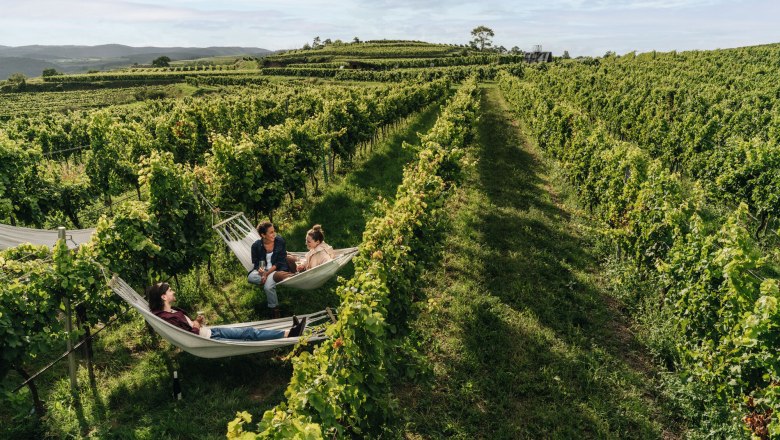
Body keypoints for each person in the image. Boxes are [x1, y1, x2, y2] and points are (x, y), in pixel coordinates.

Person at [147, 282, 306, 340]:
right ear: (163, 297)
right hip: (210, 338)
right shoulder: (166, 316)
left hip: (210, 331)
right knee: (250, 334)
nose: (173, 292)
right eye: (170, 291)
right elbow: (192, 335)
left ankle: (289, 332)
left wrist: (196, 322)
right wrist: (196, 324)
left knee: (248, 331)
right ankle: (290, 333)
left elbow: (189, 326)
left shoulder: (172, 311)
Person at [247, 221, 297, 318]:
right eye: (271, 232)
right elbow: (256, 263)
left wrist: (266, 274)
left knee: (267, 287)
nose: (274, 234)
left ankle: (275, 309)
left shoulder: (280, 241)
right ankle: (265, 280)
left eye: (274, 231)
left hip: (277, 269)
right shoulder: (256, 246)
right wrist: (261, 271)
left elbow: (280, 262)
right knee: (250, 277)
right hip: (264, 270)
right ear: (263, 235)